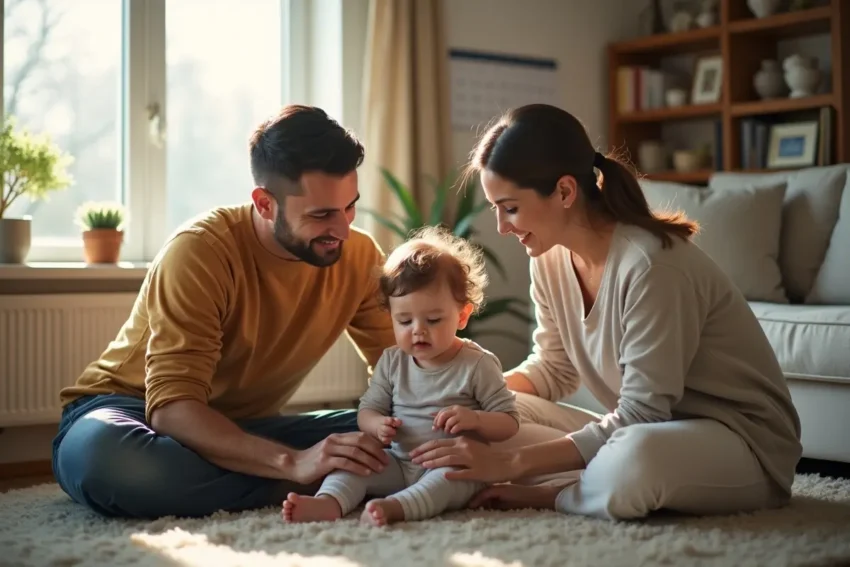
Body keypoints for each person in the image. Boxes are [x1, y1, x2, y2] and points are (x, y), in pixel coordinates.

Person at [408, 103, 803, 521]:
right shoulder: (548, 256)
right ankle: (584, 481)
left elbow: (642, 416)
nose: (503, 227)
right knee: (482, 417)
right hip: (645, 430)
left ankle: (558, 492)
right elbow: (554, 369)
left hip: (741, 446)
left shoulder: (651, 266)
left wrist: (512, 464)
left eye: (511, 208)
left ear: (564, 192)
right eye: (496, 209)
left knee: (633, 459)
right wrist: (466, 394)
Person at [51, 104, 399, 519]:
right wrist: (292, 462)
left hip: (245, 426)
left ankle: (286, 472)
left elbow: (402, 368)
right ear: (265, 204)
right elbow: (171, 409)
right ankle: (319, 477)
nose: (342, 230)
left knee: (407, 429)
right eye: (321, 214)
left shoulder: (359, 255)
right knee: (112, 464)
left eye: (349, 207)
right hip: (134, 416)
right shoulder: (200, 251)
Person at [282, 227, 520, 526]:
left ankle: (398, 506)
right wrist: (377, 425)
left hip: (454, 465)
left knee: (446, 481)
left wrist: (475, 420)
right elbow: (368, 411)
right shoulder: (392, 361)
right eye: (404, 321)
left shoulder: (477, 364)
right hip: (398, 461)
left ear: (461, 315)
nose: (418, 330)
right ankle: (327, 503)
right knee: (353, 466)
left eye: (433, 319)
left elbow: (509, 422)